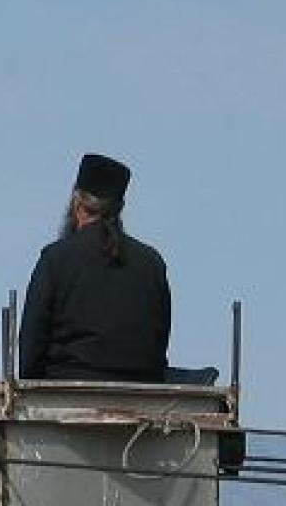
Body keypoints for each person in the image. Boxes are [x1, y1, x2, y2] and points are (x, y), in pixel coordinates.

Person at [17, 153, 175, 382]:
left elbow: (30, 349)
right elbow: (159, 345)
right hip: (142, 393)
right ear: (120, 208)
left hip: (65, 393)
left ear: (76, 202)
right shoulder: (152, 263)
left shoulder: (56, 258)